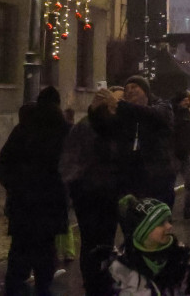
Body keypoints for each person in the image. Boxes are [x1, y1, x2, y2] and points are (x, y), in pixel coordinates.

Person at [0, 86, 70, 296]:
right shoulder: (64, 130)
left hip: (23, 204)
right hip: (51, 204)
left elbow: (3, 164)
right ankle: (42, 289)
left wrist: (14, 186)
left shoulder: (23, 129)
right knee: (46, 253)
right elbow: (71, 166)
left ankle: (15, 289)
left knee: (19, 253)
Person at [60, 86, 125, 296]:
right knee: (97, 241)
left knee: (95, 241)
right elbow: (73, 162)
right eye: (113, 106)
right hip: (95, 194)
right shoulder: (94, 128)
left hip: (96, 194)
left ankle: (96, 282)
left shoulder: (91, 126)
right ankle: (98, 283)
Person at [108, 194, 190, 295]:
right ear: (143, 231)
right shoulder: (122, 267)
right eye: (161, 223)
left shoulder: (180, 254)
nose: (169, 226)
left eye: (168, 221)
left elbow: (187, 287)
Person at [119, 75, 178, 206]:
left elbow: (153, 115)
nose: (130, 91)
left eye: (134, 87)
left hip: (158, 175)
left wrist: (122, 105)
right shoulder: (125, 113)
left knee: (158, 220)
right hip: (133, 178)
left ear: (145, 90)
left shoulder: (162, 106)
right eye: (126, 89)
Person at [170, 91, 190, 219]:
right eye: (184, 100)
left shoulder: (188, 113)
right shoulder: (172, 114)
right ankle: (167, 210)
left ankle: (188, 208)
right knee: (170, 183)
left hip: (185, 152)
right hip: (175, 152)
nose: (187, 102)